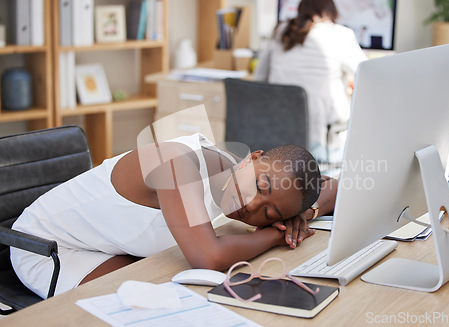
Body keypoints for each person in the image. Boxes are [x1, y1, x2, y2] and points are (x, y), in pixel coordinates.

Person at [11, 132, 338, 298]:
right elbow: (208, 257)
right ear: (251, 159)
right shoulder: (179, 164)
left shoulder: (233, 182)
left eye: (270, 211)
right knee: (147, 305)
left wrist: (306, 213)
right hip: (47, 249)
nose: (252, 205)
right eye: (260, 185)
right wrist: (276, 231)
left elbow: (333, 185)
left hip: (111, 244)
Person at [254, 0, 367, 164]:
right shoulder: (341, 34)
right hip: (320, 146)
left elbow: (258, 80)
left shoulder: (281, 30)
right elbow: (367, 74)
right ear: (331, 11)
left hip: (278, 139)